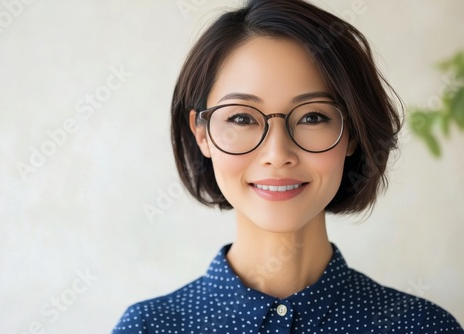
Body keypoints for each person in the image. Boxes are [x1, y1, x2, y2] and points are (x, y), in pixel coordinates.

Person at [112, 0, 463, 333]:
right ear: (202, 134)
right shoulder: (148, 327)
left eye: (312, 116)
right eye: (241, 118)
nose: (277, 153)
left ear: (352, 133)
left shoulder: (422, 327)